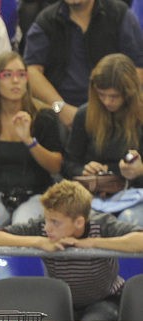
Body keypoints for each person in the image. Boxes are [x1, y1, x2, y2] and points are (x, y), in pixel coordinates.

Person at [0, 179, 143, 321]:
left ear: (79, 222)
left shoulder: (101, 224)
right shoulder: (43, 229)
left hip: (104, 300)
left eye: (55, 222)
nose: (48, 228)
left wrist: (93, 243)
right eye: (46, 220)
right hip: (60, 301)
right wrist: (39, 242)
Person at [0, 52, 63, 245]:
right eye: (7, 75)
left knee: (23, 228)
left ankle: (22, 276)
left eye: (21, 74)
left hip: (36, 196)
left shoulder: (44, 117)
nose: (15, 81)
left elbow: (56, 166)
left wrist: (29, 140)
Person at [23, 0, 143, 130]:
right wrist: (60, 108)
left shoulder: (120, 14)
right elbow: (32, 71)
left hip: (115, 112)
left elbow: (137, 67)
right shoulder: (45, 21)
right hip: (62, 113)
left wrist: (115, 106)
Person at [63, 54, 143, 228]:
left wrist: (139, 171)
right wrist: (84, 169)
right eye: (101, 94)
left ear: (129, 94)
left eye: (114, 96)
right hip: (94, 195)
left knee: (129, 221)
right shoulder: (85, 114)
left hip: (136, 193)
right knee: (80, 221)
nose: (107, 101)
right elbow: (68, 163)